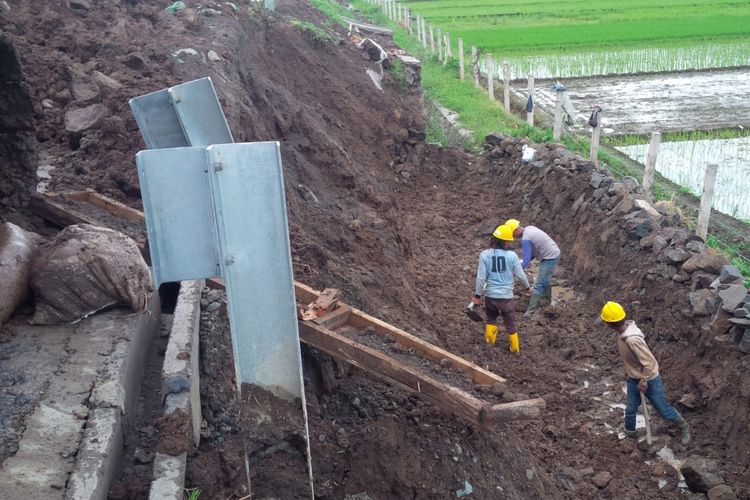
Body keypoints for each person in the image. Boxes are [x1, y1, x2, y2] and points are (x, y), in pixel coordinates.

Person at [600, 301, 690, 444]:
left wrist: (644, 380)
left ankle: (683, 426)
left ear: (609, 324)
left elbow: (650, 362)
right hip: (634, 378)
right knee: (630, 409)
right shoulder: (623, 333)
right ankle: (630, 435)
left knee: (664, 410)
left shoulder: (632, 340)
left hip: (649, 379)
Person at [472, 224, 531, 353]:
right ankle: (514, 349)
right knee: (510, 323)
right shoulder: (512, 256)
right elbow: (520, 275)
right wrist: (527, 288)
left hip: (491, 296)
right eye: (508, 241)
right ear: (504, 241)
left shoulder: (484, 255)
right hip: (506, 298)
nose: (509, 244)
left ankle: (489, 344)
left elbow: (481, 278)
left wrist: (477, 296)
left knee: (491, 319)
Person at [505, 219, 560, 317]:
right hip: (552, 252)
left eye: (513, 235)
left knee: (539, 283)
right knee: (545, 280)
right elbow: (531, 255)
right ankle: (548, 302)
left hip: (550, 257)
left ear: (516, 230)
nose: (514, 237)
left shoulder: (526, 239)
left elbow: (526, 260)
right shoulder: (530, 228)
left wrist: (515, 270)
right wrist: (517, 266)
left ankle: (530, 312)